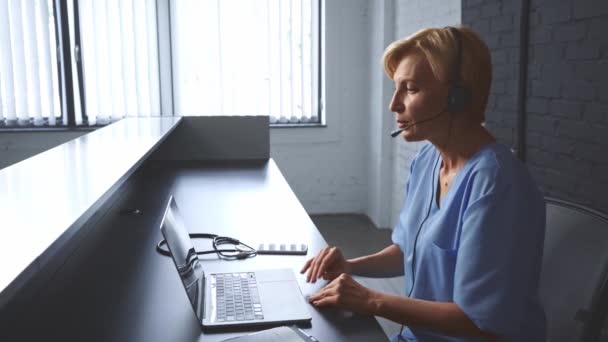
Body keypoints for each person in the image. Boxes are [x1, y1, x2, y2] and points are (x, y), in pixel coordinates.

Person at [301, 26, 546, 341]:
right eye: (395, 88)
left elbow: (479, 322)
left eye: (411, 89)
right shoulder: (428, 160)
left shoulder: (497, 186)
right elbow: (407, 249)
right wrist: (350, 265)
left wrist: (370, 299)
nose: (394, 105)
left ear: (458, 97)